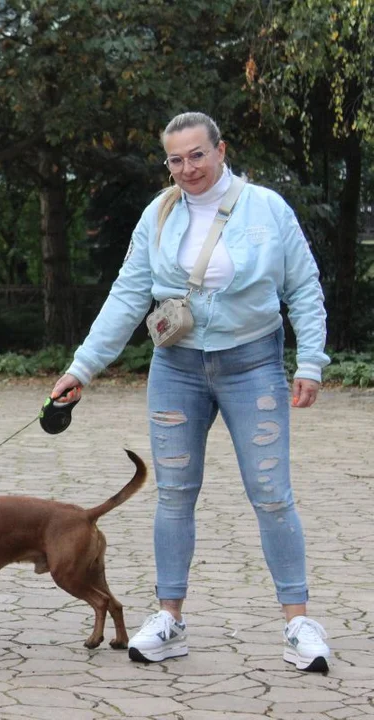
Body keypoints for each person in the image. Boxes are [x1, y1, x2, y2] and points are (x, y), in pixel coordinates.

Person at [50, 111, 332, 672]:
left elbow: (304, 286)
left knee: (272, 494)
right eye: (175, 159)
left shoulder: (267, 208)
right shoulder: (157, 214)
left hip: (253, 365)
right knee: (175, 493)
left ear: (220, 150)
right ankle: (169, 620)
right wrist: (82, 368)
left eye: (197, 155)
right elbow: (128, 295)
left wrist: (311, 363)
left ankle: (298, 625)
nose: (187, 169)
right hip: (175, 368)